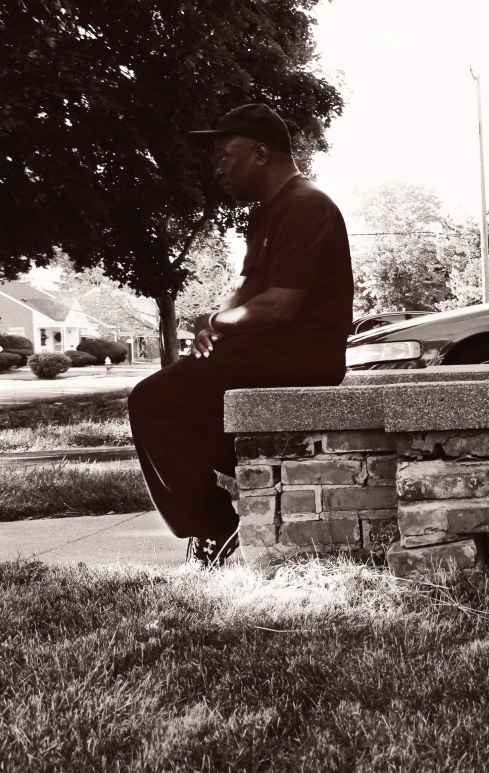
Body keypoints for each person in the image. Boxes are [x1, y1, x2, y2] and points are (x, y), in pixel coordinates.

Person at [128, 103, 353, 567]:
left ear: (261, 152)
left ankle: (216, 528)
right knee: (163, 402)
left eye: (226, 154)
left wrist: (215, 324)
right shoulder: (268, 213)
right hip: (266, 353)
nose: (218, 167)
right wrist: (208, 324)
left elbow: (280, 303)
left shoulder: (308, 205)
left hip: (304, 359)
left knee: (154, 402)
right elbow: (248, 291)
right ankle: (217, 518)